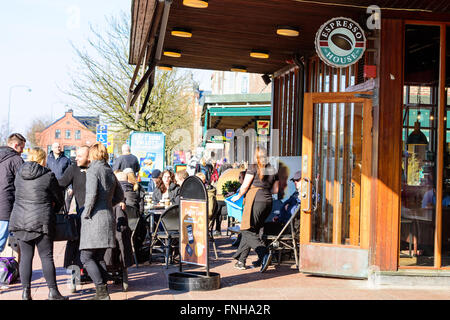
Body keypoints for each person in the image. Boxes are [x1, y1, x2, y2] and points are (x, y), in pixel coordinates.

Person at [9, 147, 68, 300]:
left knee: (26, 258)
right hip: (42, 221)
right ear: (42, 160)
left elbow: (16, 194)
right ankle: (53, 292)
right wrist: (55, 207)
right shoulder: (48, 175)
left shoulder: (19, 175)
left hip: (20, 220)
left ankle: (25, 292)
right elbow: (59, 198)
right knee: (46, 257)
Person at [79, 142, 124, 300]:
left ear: (93, 154)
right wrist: (106, 204)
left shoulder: (93, 170)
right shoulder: (109, 170)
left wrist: (86, 213)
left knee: (85, 257)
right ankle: (102, 293)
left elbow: (91, 196)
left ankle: (101, 291)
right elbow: (120, 196)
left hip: (94, 219)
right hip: (107, 217)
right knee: (98, 257)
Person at [230, 146, 279, 272]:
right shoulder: (273, 169)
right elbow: (275, 190)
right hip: (268, 201)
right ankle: (241, 261)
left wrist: (238, 196)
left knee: (246, 230)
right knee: (252, 231)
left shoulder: (253, 166)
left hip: (255, 199)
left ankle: (264, 254)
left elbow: (245, 185)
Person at [57, 145, 90, 285]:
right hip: (82, 214)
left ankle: (95, 273)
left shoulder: (99, 169)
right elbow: (60, 185)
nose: (75, 158)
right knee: (76, 243)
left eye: (79, 156)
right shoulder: (74, 168)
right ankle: (76, 275)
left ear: (89, 157)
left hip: (99, 216)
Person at [0, 133, 26, 254]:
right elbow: (24, 183)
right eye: (22, 148)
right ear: (16, 145)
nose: (22, 151)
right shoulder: (16, 160)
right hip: (5, 205)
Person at [264, 170, 302, 236]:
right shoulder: (295, 194)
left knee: (265, 229)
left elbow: (297, 211)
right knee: (264, 227)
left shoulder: (309, 194)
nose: (295, 182)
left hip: (293, 227)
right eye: (294, 181)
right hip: (285, 223)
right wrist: (279, 217)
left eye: (297, 180)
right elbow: (284, 206)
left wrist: (289, 207)